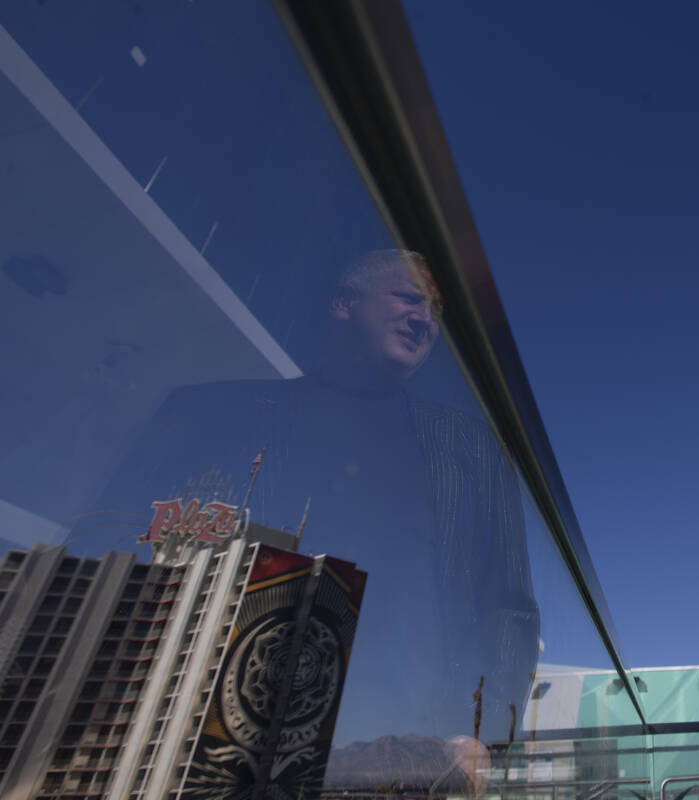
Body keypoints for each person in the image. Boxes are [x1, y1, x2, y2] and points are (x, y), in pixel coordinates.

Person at [82, 249, 538, 795]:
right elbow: (103, 549)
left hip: (401, 761)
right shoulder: (212, 414)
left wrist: (481, 736)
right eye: (409, 298)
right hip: (203, 749)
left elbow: (508, 603)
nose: (426, 320)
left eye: (437, 312)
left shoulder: (473, 449)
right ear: (344, 303)